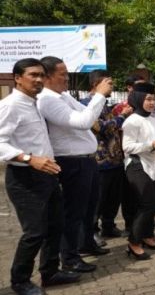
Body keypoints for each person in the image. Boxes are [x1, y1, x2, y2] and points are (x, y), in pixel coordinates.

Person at [0, 58, 81, 295]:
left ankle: (50, 272)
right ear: (17, 78)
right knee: (34, 232)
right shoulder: (11, 105)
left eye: (41, 75)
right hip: (25, 178)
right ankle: (20, 281)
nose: (38, 80)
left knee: (56, 225)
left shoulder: (34, 103)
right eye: (32, 75)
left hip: (47, 175)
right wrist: (28, 158)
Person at [37, 56, 112, 273]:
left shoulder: (63, 97)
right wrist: (99, 95)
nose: (67, 78)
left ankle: (86, 243)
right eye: (63, 74)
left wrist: (96, 100)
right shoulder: (47, 100)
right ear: (48, 76)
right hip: (70, 162)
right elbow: (83, 122)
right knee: (73, 212)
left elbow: (85, 113)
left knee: (89, 209)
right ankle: (69, 257)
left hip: (86, 161)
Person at [80, 70, 132, 240]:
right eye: (109, 83)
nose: (113, 86)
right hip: (99, 161)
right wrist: (122, 117)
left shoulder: (105, 105)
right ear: (96, 84)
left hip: (115, 160)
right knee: (97, 200)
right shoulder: (86, 104)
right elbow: (100, 127)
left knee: (113, 198)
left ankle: (108, 226)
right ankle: (92, 232)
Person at [122, 82, 155, 260]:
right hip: (136, 165)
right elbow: (127, 146)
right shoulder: (132, 121)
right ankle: (133, 243)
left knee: (153, 204)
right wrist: (151, 145)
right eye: (148, 99)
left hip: (152, 163)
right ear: (139, 100)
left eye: (153, 99)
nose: (151, 102)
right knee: (145, 204)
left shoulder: (153, 119)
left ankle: (148, 236)